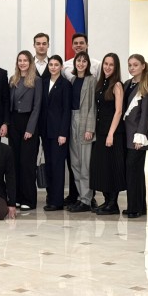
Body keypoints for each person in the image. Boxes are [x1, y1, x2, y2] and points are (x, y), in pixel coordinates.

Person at [90, 53, 126, 215]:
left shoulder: (117, 85)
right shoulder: (102, 83)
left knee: (112, 168)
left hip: (112, 133)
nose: (108, 67)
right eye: (106, 64)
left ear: (116, 67)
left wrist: (111, 134)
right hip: (101, 131)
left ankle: (113, 204)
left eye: (111, 65)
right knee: (102, 167)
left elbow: (118, 111)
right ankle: (106, 201)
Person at [8, 51, 42, 210]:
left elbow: (37, 107)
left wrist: (30, 128)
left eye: (25, 60)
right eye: (20, 60)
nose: (22, 63)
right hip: (14, 123)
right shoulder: (12, 80)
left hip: (28, 123)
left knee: (27, 163)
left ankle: (29, 199)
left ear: (30, 63)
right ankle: (16, 197)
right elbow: (9, 105)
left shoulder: (36, 80)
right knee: (14, 162)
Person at [122, 54, 148, 218]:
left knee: (133, 170)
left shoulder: (147, 85)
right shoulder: (128, 84)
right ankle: (139, 206)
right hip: (126, 134)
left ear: (143, 66)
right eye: (130, 65)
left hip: (137, 136)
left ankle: (134, 208)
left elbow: (145, 114)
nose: (132, 68)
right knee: (136, 172)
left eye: (135, 65)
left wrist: (140, 135)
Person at [40, 55, 72, 211]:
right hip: (45, 131)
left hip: (59, 132)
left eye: (56, 64)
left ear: (61, 67)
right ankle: (50, 197)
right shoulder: (44, 82)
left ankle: (57, 201)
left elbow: (67, 110)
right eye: (51, 64)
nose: (53, 67)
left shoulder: (65, 84)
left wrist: (63, 133)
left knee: (57, 166)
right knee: (49, 165)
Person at [67, 51, 97, 213]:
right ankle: (81, 196)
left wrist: (90, 129)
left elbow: (93, 106)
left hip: (84, 122)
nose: (80, 64)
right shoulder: (72, 80)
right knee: (75, 163)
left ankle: (87, 199)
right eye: (78, 61)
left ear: (88, 64)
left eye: (84, 61)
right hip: (72, 120)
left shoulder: (91, 80)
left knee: (85, 164)